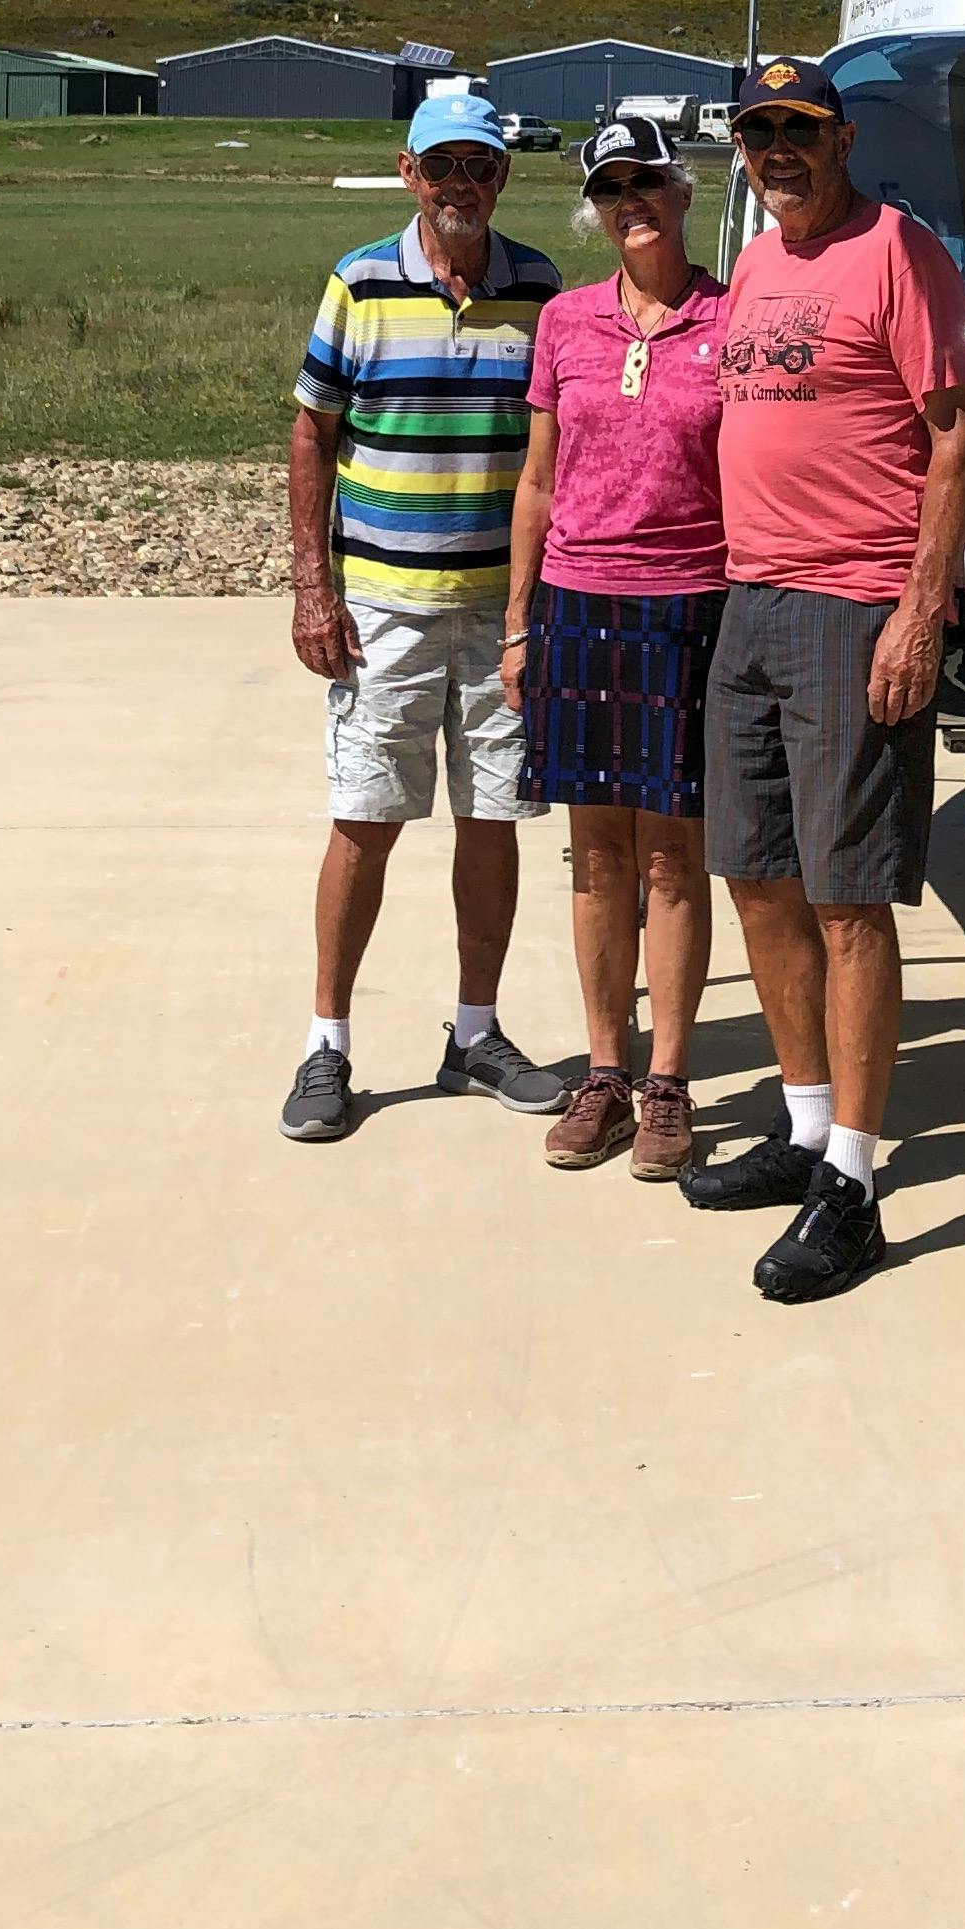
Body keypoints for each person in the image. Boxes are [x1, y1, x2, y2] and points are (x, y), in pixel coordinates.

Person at [685, 52, 965, 1300]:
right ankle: (805, 1124)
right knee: (755, 874)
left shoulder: (898, 251)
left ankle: (854, 1182)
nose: (777, 154)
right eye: (758, 136)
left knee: (848, 895)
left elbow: (958, 431)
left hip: (853, 605)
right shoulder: (756, 263)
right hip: (749, 601)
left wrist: (920, 611)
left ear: (844, 138)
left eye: (798, 131)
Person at [278, 88, 571, 1144]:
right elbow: (312, 433)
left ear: (503, 176)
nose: (463, 184)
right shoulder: (359, 281)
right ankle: (328, 1045)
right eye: (443, 165)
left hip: (503, 612)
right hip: (384, 608)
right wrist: (314, 588)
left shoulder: (542, 288)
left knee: (493, 822)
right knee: (365, 821)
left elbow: (559, 450)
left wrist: (545, 611)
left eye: (482, 167)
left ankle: (476, 1033)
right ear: (409, 171)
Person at [500, 114, 728, 1181]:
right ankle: (605, 1070)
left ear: (684, 194)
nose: (629, 203)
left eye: (646, 183)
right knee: (596, 854)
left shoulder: (730, 318)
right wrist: (518, 622)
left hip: (689, 601)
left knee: (675, 856)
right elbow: (538, 481)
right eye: (609, 190)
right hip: (578, 601)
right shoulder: (566, 322)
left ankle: (670, 1081)